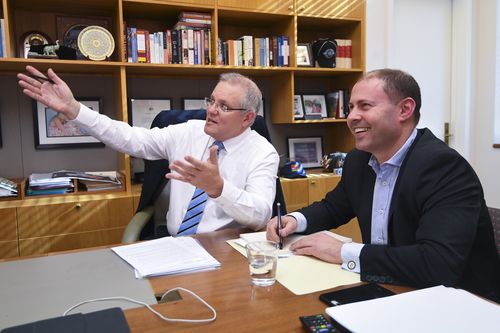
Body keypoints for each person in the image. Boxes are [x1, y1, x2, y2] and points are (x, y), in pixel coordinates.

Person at [267, 69, 500, 303]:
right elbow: (334, 207)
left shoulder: (444, 167)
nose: (351, 117)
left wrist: (341, 252)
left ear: (404, 110)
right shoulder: (359, 159)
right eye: (351, 108)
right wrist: (295, 220)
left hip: (458, 301)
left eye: (365, 106)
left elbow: (436, 263)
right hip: (388, 288)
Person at [18, 65, 279, 236]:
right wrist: (75, 110)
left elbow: (260, 215)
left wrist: (218, 188)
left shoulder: (262, 153)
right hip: (176, 245)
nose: (211, 110)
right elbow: (131, 138)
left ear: (247, 118)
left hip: (227, 252)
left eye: (223, 106)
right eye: (211, 100)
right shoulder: (188, 132)